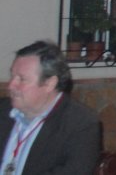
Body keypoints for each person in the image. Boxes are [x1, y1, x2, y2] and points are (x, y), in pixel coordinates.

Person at [0, 40, 101, 174]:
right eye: (12, 76)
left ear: (49, 83)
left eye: (21, 79)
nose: (11, 85)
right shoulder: (3, 108)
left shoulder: (81, 125)